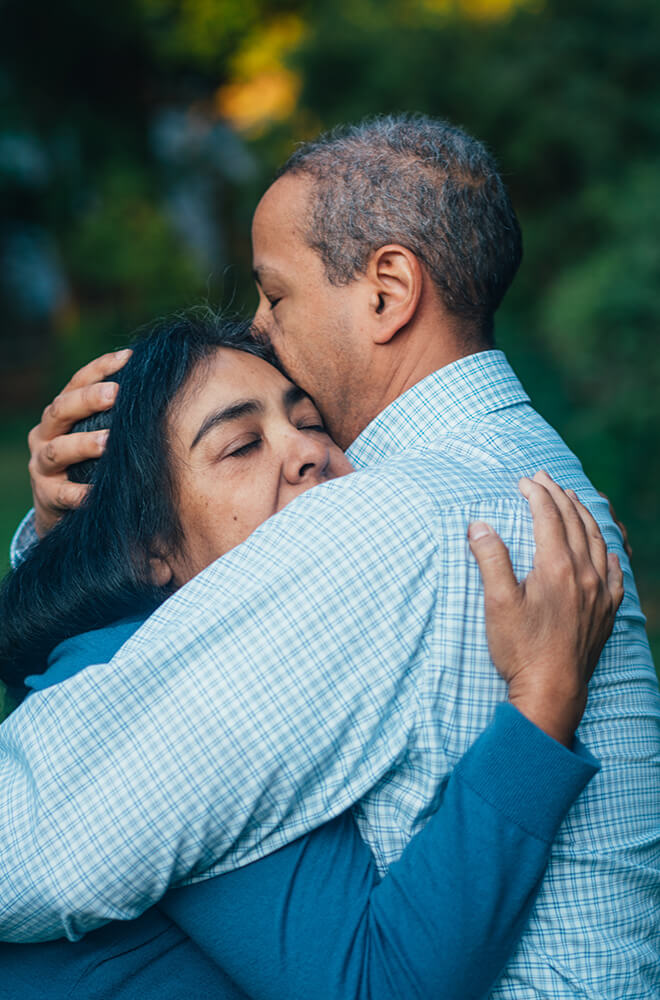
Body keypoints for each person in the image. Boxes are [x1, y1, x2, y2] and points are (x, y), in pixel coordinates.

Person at [4, 115, 660, 997]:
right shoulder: (529, 475)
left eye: (276, 296)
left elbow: (43, 838)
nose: (261, 326)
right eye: (242, 444)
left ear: (388, 291)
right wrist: (73, 530)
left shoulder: (386, 520)